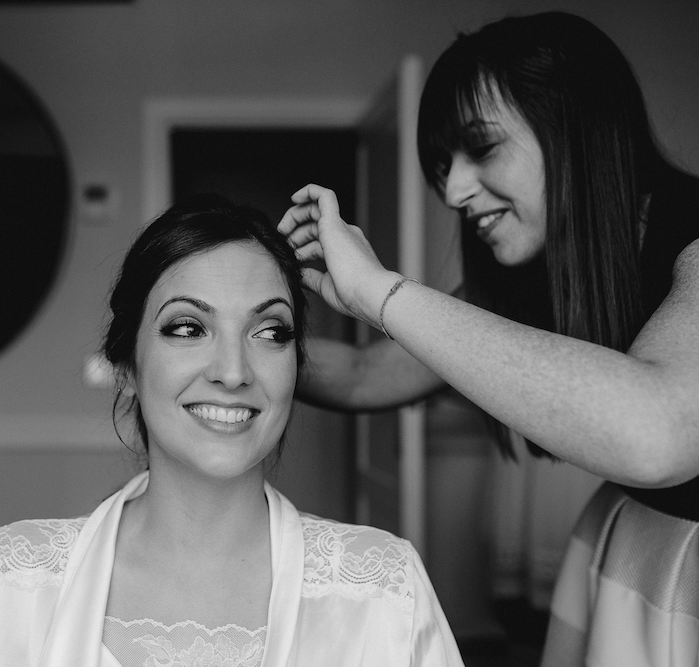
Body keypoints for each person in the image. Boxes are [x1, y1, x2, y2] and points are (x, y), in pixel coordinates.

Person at [278, 11, 699, 667]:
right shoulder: (531, 279)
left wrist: (377, 290)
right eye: (445, 163)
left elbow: (660, 434)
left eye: (482, 148)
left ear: (576, 126)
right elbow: (364, 374)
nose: (451, 189)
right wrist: (233, 332)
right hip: (631, 554)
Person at [0, 194, 464, 666]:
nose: (232, 371)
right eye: (188, 327)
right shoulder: (9, 585)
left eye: (270, 331)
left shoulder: (385, 591)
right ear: (126, 366)